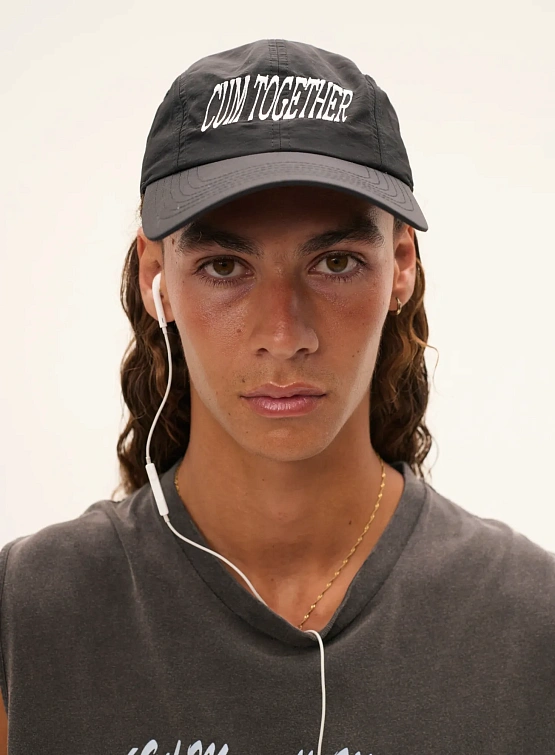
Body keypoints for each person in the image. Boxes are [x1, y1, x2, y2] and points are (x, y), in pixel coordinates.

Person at [1, 38, 554, 755]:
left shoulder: (531, 623)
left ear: (401, 267)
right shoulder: (29, 617)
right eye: (224, 266)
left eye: (335, 262)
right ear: (153, 275)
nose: (284, 334)